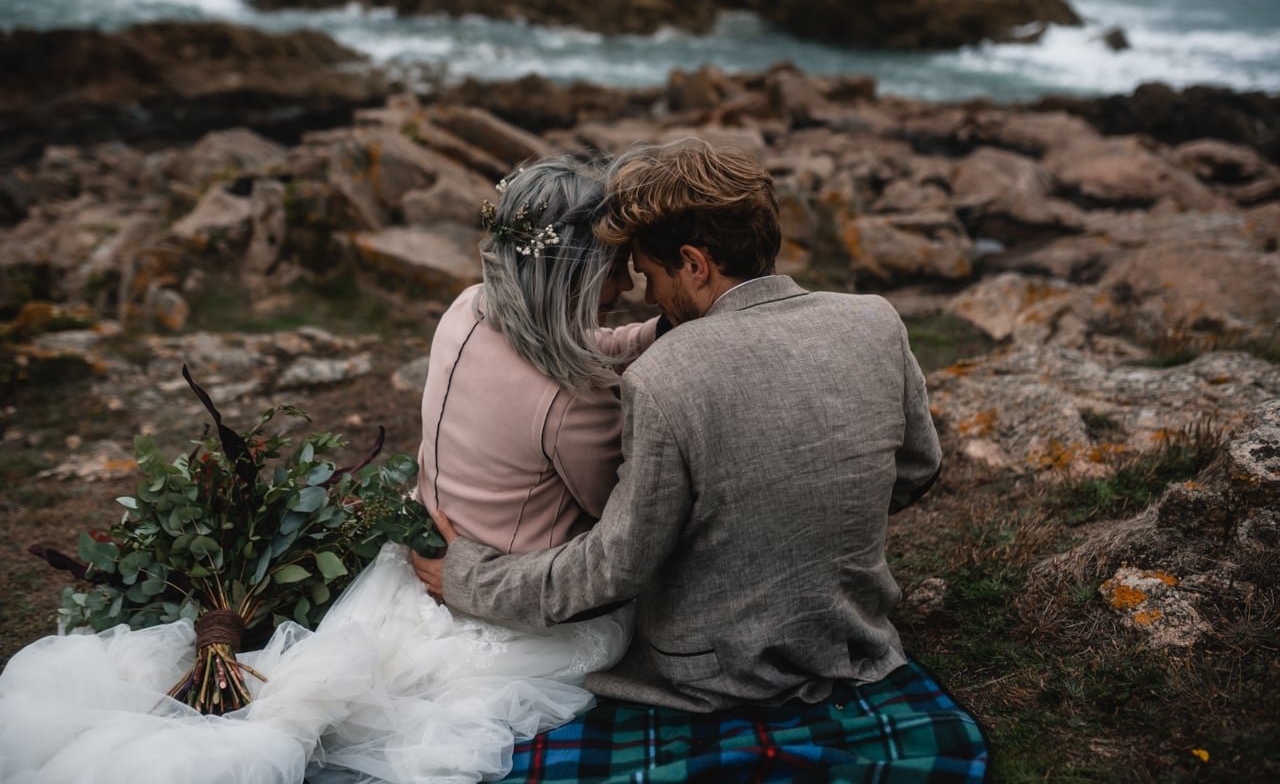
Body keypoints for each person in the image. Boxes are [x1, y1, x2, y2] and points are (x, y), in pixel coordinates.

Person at [0, 154, 659, 784]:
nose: (625, 287)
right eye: (613, 270)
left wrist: (652, 333)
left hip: (416, 566)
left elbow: (566, 342)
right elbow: (617, 517)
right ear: (568, 280)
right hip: (512, 599)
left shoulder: (468, 311)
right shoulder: (575, 406)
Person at [415, 137, 945, 715]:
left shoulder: (664, 377)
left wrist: (469, 579)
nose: (642, 294)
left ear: (694, 264)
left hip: (718, 670)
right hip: (855, 634)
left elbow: (616, 566)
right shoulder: (875, 320)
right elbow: (917, 469)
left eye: (647, 274)